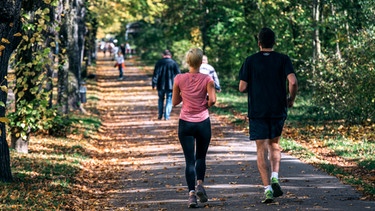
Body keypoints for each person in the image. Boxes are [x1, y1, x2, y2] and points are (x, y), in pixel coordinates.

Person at [238, 27, 298, 204]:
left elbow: (242, 87)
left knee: (261, 149)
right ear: (274, 42)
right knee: (275, 145)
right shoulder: (283, 59)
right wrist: (291, 99)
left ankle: (267, 191)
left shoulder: (250, 61)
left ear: (259, 43)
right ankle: (275, 177)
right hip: (278, 109)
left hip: (258, 110)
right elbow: (293, 82)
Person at [172, 48, 216, 208]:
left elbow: (175, 102)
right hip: (203, 122)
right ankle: (200, 185)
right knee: (201, 157)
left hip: (185, 123)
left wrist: (186, 95)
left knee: (189, 161)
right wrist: (204, 103)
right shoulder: (207, 79)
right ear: (200, 62)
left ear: (188, 62)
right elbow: (213, 100)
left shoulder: (179, 78)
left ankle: (191, 195)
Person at [152, 49, 180, 120]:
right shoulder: (174, 63)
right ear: (170, 55)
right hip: (171, 85)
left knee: (160, 99)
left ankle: (160, 115)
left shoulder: (159, 63)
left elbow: (155, 74)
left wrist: (154, 84)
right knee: (169, 99)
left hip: (160, 85)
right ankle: (166, 116)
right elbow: (178, 75)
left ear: (163, 55)